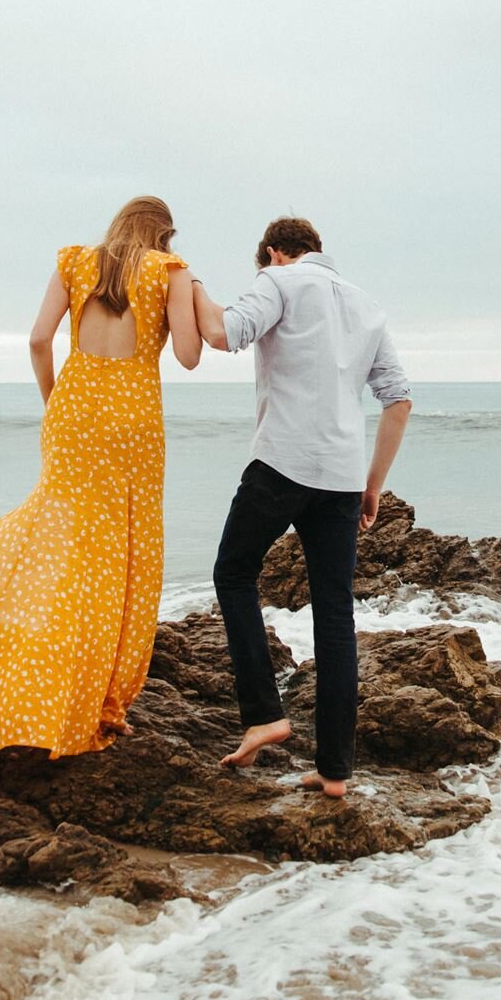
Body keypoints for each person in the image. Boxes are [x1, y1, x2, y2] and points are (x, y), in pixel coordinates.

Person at [0, 196, 204, 755]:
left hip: (72, 410)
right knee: (118, 555)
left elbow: (37, 339)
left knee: (53, 535)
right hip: (133, 424)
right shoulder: (169, 271)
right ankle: (97, 697)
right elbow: (191, 355)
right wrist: (191, 290)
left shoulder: (75, 262)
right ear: (164, 235)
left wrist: (55, 400)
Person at [192, 216, 412, 797]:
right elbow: (399, 400)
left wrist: (185, 281)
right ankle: (336, 770)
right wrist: (374, 484)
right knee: (334, 615)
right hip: (342, 477)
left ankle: (265, 713)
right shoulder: (367, 306)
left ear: (273, 252)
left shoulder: (279, 281)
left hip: (282, 463)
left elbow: (222, 334)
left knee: (233, 572)